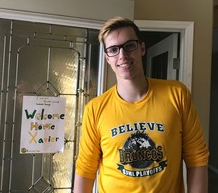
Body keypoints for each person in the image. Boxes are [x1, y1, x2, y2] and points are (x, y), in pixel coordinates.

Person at [74, 17, 209, 193]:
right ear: (107, 58)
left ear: (142, 48)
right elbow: (85, 169)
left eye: (129, 45)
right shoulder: (95, 109)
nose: (122, 55)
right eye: (114, 50)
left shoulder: (177, 94)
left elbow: (197, 157)